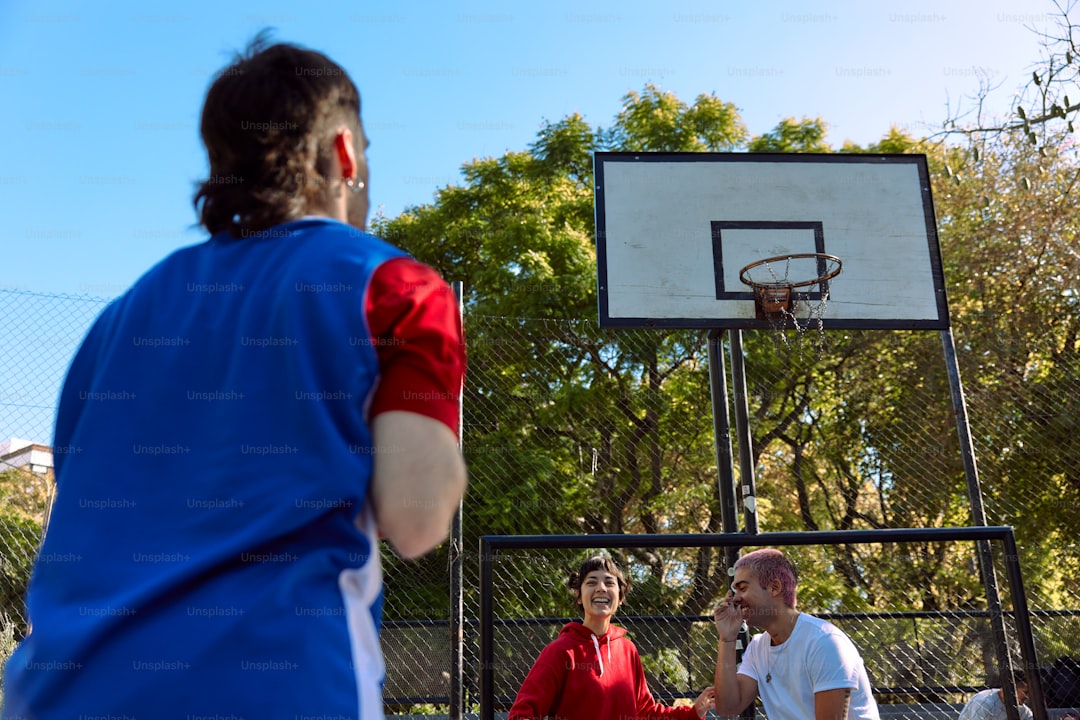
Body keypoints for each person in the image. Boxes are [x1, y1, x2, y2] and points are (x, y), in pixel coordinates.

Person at [2, 36, 466, 719]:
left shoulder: (117, 322)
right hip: (276, 685)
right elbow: (417, 519)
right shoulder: (394, 286)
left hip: (58, 693)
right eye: (367, 151)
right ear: (343, 152)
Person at [509, 555, 715, 720]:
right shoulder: (559, 651)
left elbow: (646, 712)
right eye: (591, 582)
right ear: (579, 596)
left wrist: (692, 712)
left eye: (609, 582)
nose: (601, 588)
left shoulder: (628, 650)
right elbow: (522, 714)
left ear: (621, 596)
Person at [712, 548, 880, 720]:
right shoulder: (757, 647)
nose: (735, 599)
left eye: (743, 588)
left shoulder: (824, 641)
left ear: (774, 588)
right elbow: (728, 708)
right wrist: (727, 639)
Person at [958, 671, 1034, 720]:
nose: (1028, 697)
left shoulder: (1022, 709)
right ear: (1010, 689)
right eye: (1025, 692)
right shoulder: (983, 703)